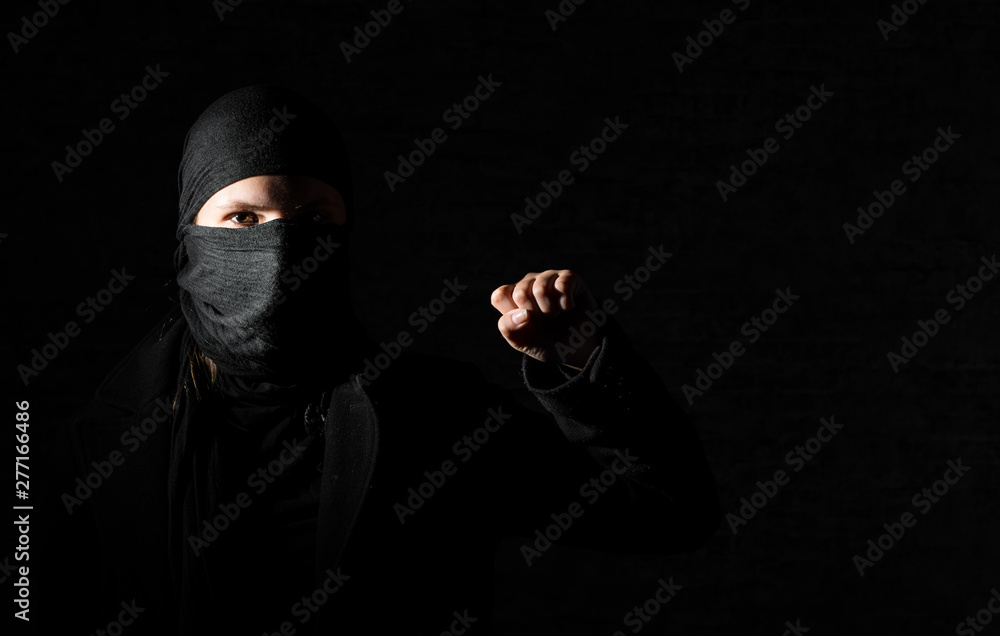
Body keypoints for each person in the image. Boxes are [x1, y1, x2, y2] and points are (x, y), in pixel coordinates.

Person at [56, 84, 720, 635]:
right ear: (190, 235)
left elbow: (670, 510)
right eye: (244, 222)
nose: (282, 249)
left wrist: (581, 363)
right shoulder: (88, 438)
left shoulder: (439, 417)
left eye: (314, 219)